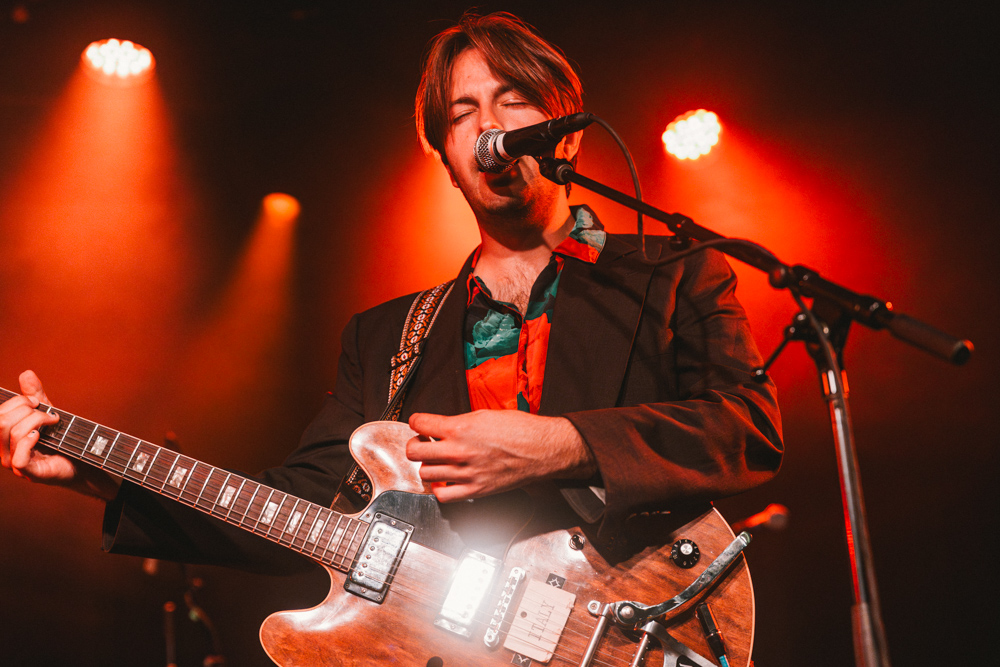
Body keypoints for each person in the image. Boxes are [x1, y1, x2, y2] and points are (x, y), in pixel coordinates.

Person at [0, 12, 781, 574]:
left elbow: (748, 429)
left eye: (514, 101)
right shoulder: (385, 338)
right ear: (447, 159)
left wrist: (563, 444)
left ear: (567, 132)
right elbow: (299, 510)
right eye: (462, 114)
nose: (489, 128)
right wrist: (106, 475)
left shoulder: (675, 271)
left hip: (635, 623)